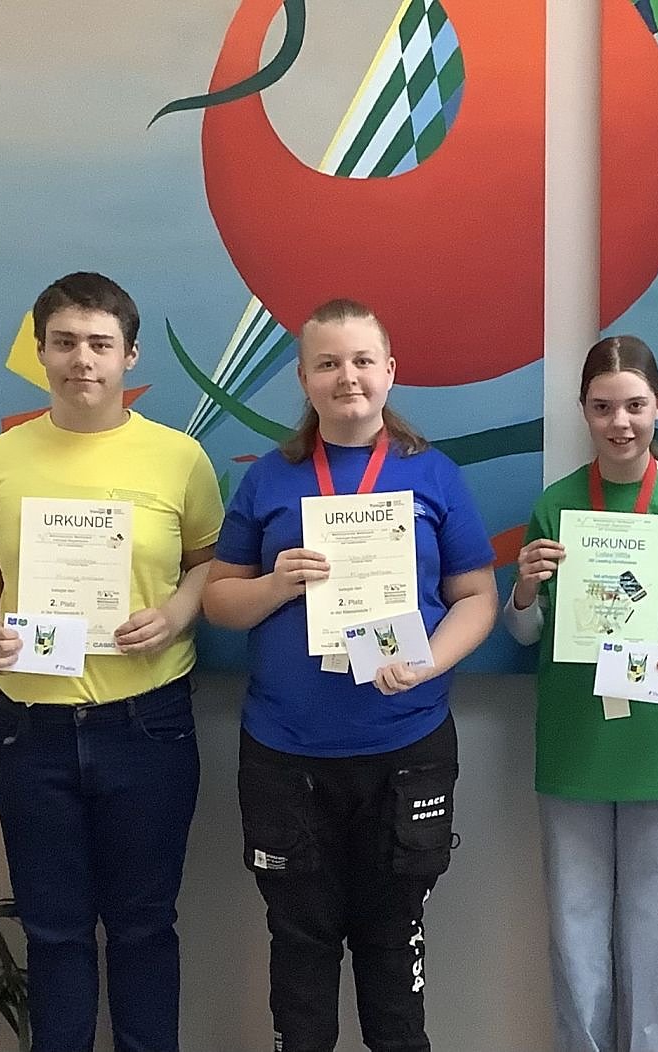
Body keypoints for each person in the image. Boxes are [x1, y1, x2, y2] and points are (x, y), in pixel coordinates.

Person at [203, 298, 497, 1052]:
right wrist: (275, 584)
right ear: (304, 378)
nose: (347, 377)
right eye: (328, 363)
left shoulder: (432, 474)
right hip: (286, 755)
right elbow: (219, 603)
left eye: (363, 360)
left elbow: (477, 596)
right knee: (299, 946)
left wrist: (428, 662)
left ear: (390, 371)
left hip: (406, 747)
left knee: (393, 944)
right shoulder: (270, 479)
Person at [0, 271, 224, 1052]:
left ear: (129, 355)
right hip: (29, 731)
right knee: (53, 930)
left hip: (147, 725)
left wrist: (175, 613)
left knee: (144, 927)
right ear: (40, 352)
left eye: (100, 343)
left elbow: (210, 564)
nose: (82, 359)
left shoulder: (179, 458)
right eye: (65, 342)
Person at [504, 335, 658, 1052]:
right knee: (574, 932)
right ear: (583, 411)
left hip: (657, 744)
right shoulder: (557, 505)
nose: (620, 422)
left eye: (634, 405)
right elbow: (523, 633)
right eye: (603, 407)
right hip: (574, 744)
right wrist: (524, 588)